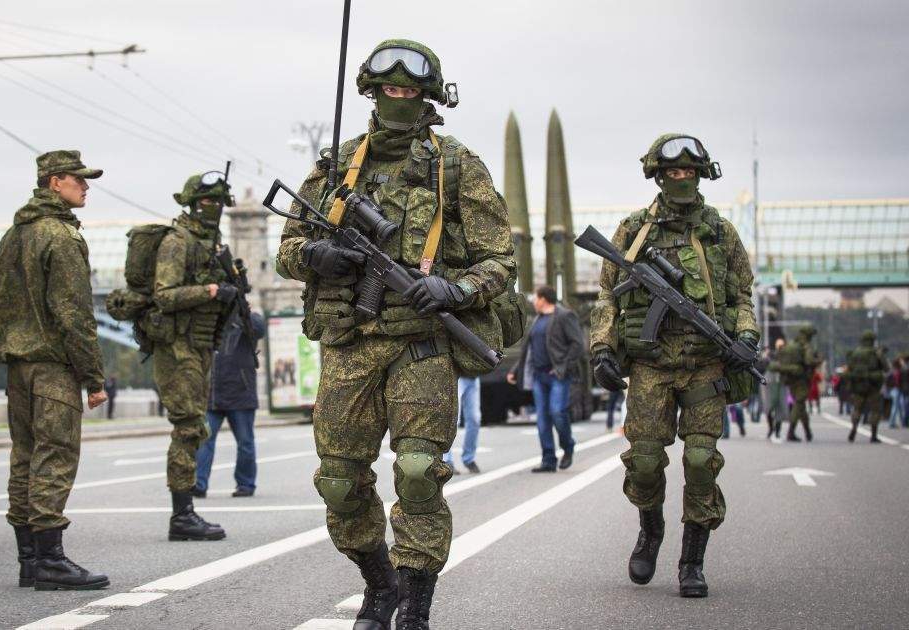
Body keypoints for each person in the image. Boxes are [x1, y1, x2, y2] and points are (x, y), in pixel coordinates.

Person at [275, 39, 514, 630]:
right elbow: (285, 251)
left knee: (415, 472)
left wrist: (454, 291)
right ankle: (378, 585)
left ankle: (415, 606)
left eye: (410, 88)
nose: (398, 96)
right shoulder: (337, 165)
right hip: (349, 346)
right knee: (339, 481)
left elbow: (499, 259)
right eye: (389, 87)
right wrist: (318, 255)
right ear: (371, 91)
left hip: (421, 344)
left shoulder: (455, 164)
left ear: (428, 95)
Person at [588, 134, 758, 598]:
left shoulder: (720, 232)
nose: (681, 178)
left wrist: (746, 336)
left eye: (689, 172)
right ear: (658, 176)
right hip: (651, 366)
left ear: (700, 175)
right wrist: (603, 347)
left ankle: (692, 560)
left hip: (706, 365)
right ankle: (651, 529)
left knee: (701, 461)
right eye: (673, 172)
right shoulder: (633, 229)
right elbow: (607, 293)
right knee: (644, 463)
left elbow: (743, 293)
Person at [0, 150, 109, 591]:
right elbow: (74, 314)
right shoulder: (61, 236)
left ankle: (28, 559)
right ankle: (51, 560)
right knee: (54, 457)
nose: (86, 186)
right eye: (79, 179)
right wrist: (93, 378)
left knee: (23, 456)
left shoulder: (13, 234)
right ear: (55, 182)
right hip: (53, 367)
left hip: (17, 364)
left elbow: (2, 304)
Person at [148, 172, 238, 542]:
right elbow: (164, 295)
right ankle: (181, 514)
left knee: (195, 426)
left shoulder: (213, 245)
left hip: (200, 345)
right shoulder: (177, 241)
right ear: (191, 203)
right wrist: (212, 290)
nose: (213, 209)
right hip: (177, 346)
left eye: (218, 203)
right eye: (206, 202)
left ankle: (185, 511)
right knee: (187, 426)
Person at [510, 285, 584, 472]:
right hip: (538, 376)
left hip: (557, 375)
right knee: (542, 419)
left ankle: (568, 446)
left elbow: (577, 345)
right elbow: (529, 350)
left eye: (536, 298)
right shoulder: (537, 320)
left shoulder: (564, 316)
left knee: (558, 412)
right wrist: (515, 370)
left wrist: (562, 367)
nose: (534, 301)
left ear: (543, 299)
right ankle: (548, 459)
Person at [194, 311, 267, 498]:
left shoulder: (246, 318)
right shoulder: (210, 317)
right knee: (204, 440)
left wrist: (240, 309)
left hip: (240, 394)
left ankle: (245, 484)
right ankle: (199, 484)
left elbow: (260, 329)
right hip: (212, 396)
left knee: (245, 443)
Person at [771, 326, 820, 442]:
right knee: (799, 404)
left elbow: (777, 361)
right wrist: (818, 360)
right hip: (801, 380)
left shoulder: (791, 345)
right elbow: (809, 361)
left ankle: (808, 432)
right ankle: (791, 432)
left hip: (790, 380)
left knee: (801, 407)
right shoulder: (806, 346)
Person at [844, 331, 887, 442]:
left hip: (858, 386)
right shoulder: (876, 353)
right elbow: (886, 368)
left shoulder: (855, 353)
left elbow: (850, 368)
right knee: (875, 410)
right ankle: (873, 435)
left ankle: (854, 428)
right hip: (873, 385)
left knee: (857, 409)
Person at [444, 377, 482, 474]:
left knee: (475, 419)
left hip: (473, 374)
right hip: (456, 375)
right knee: (453, 418)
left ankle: (469, 459)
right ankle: (447, 460)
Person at [765, 341, 788, 440]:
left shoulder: (786, 358)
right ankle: (771, 428)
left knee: (780, 409)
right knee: (769, 409)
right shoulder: (770, 356)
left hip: (781, 385)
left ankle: (777, 431)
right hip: (770, 384)